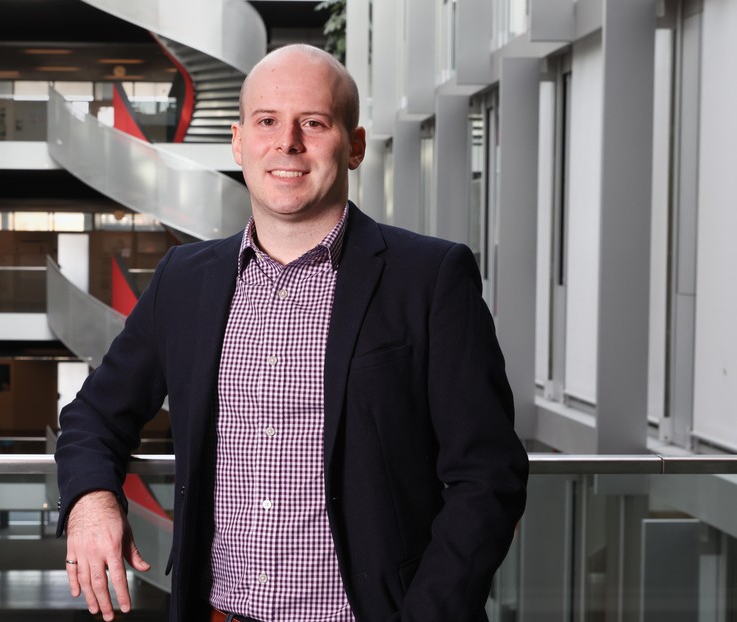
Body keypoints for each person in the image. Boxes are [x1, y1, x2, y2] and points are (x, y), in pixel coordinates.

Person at [54, 44, 528, 622]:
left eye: (314, 123)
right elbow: (93, 415)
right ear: (238, 140)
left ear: (353, 146)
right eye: (267, 122)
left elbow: (488, 476)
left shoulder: (430, 278)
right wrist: (91, 501)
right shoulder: (184, 280)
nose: (288, 143)